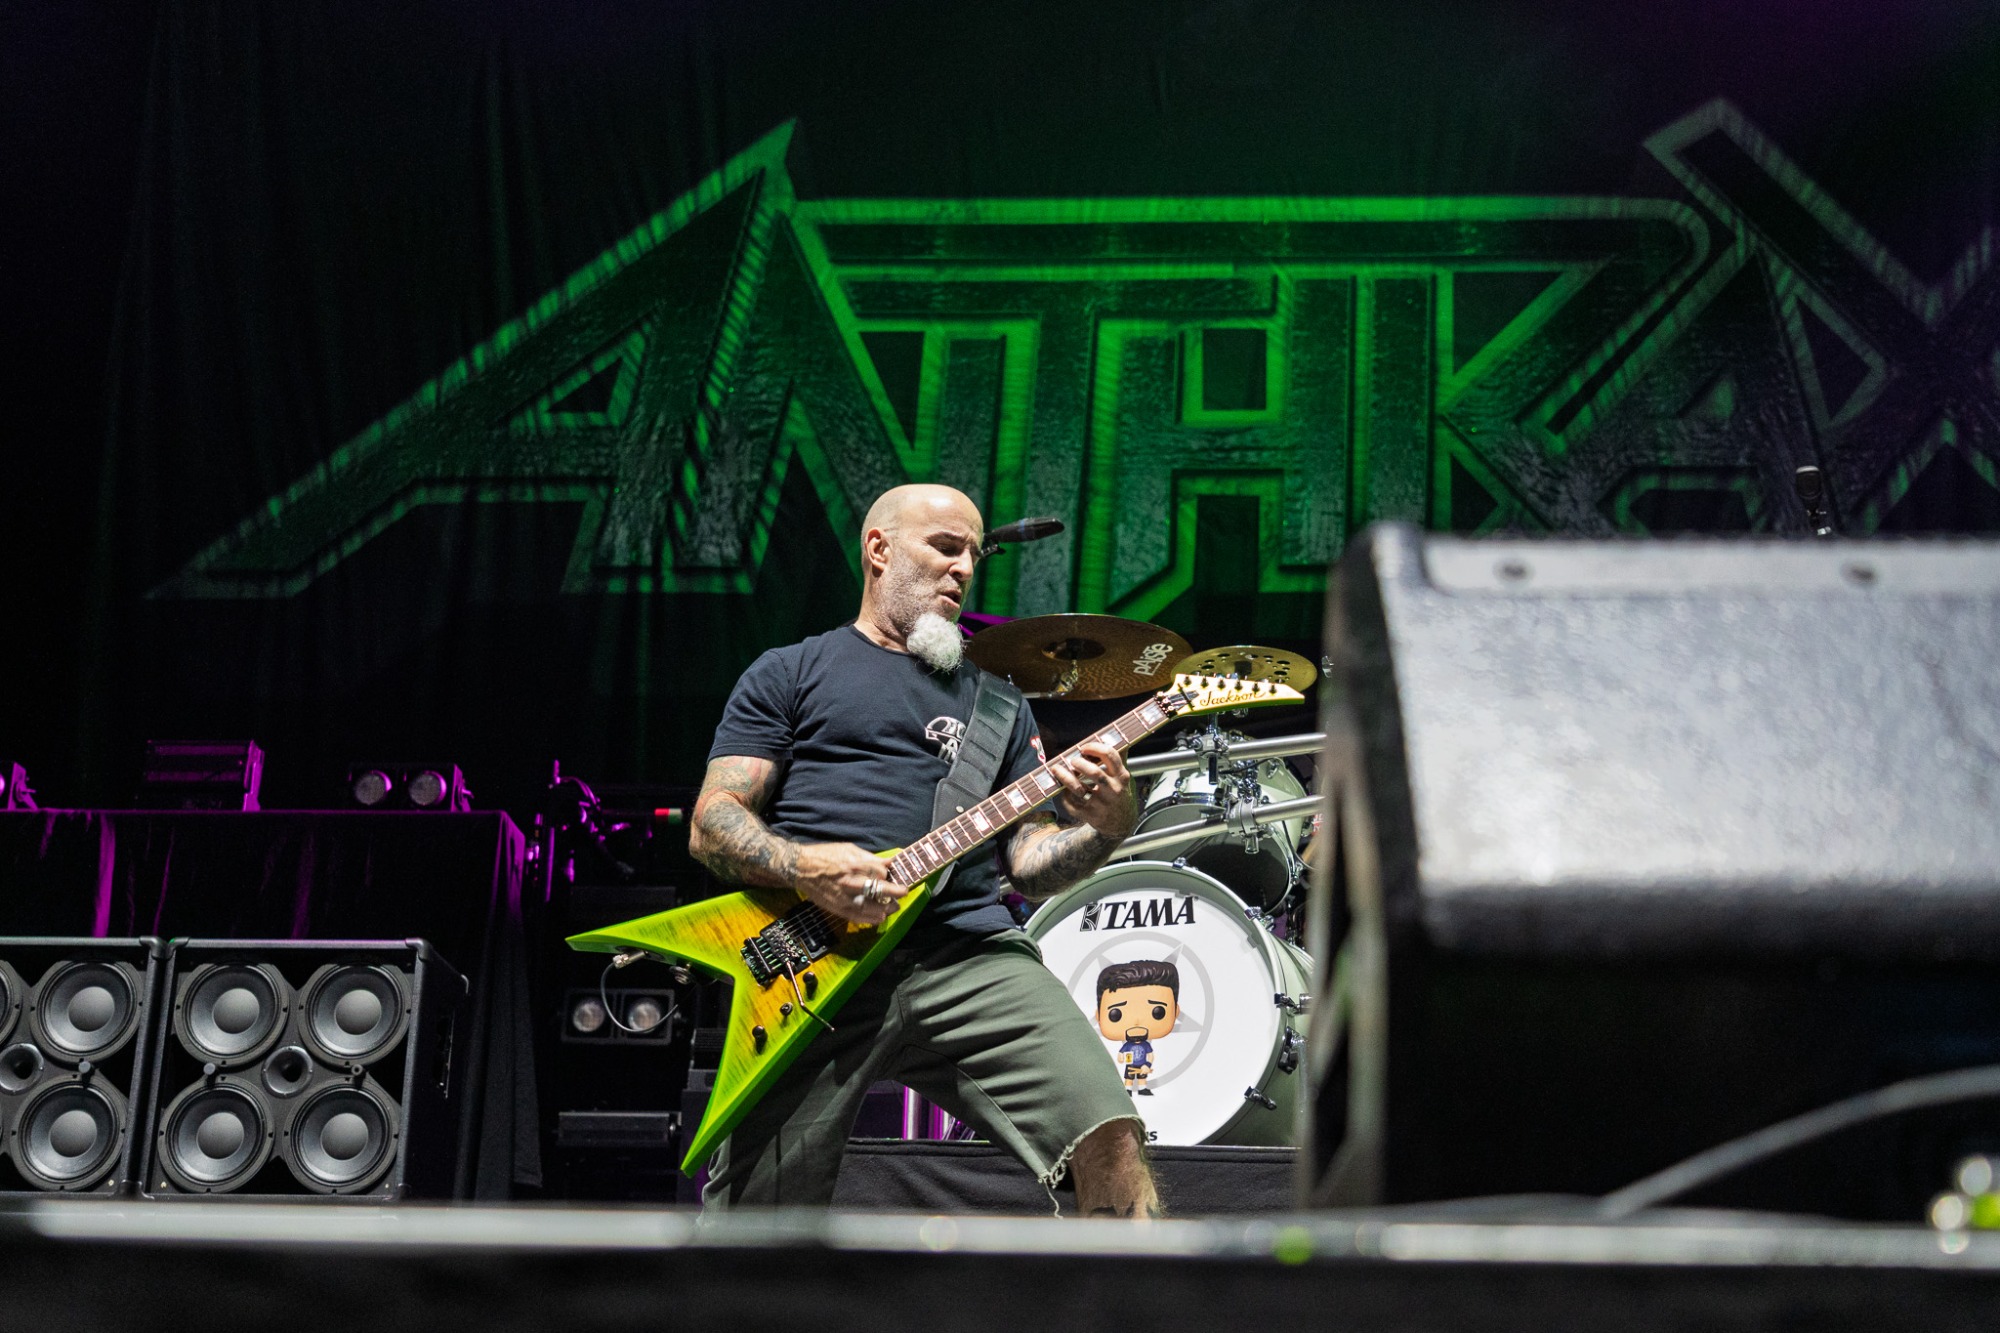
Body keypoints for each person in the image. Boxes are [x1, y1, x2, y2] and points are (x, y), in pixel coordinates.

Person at [688, 483, 1159, 1216]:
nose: (964, 568)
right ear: (878, 549)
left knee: (1110, 1133)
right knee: (757, 1221)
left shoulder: (999, 705)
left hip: (968, 953)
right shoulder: (791, 670)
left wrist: (1106, 826)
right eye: (945, 547)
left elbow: (1029, 863)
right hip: (814, 964)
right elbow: (713, 821)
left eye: (973, 555)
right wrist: (804, 867)